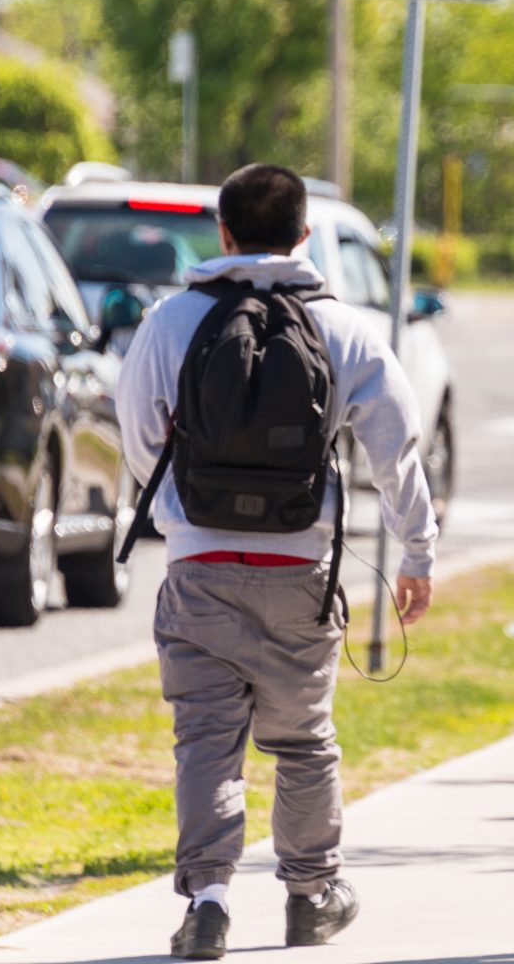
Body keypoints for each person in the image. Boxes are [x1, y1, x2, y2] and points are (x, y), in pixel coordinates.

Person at [118, 163, 438, 961]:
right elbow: (396, 446)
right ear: (305, 235)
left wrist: (184, 512)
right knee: (302, 743)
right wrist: (417, 551)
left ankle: (210, 901)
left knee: (205, 742)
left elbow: (138, 439)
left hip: (199, 568)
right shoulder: (344, 327)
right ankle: (311, 894)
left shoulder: (172, 321)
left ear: (221, 234)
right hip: (302, 571)